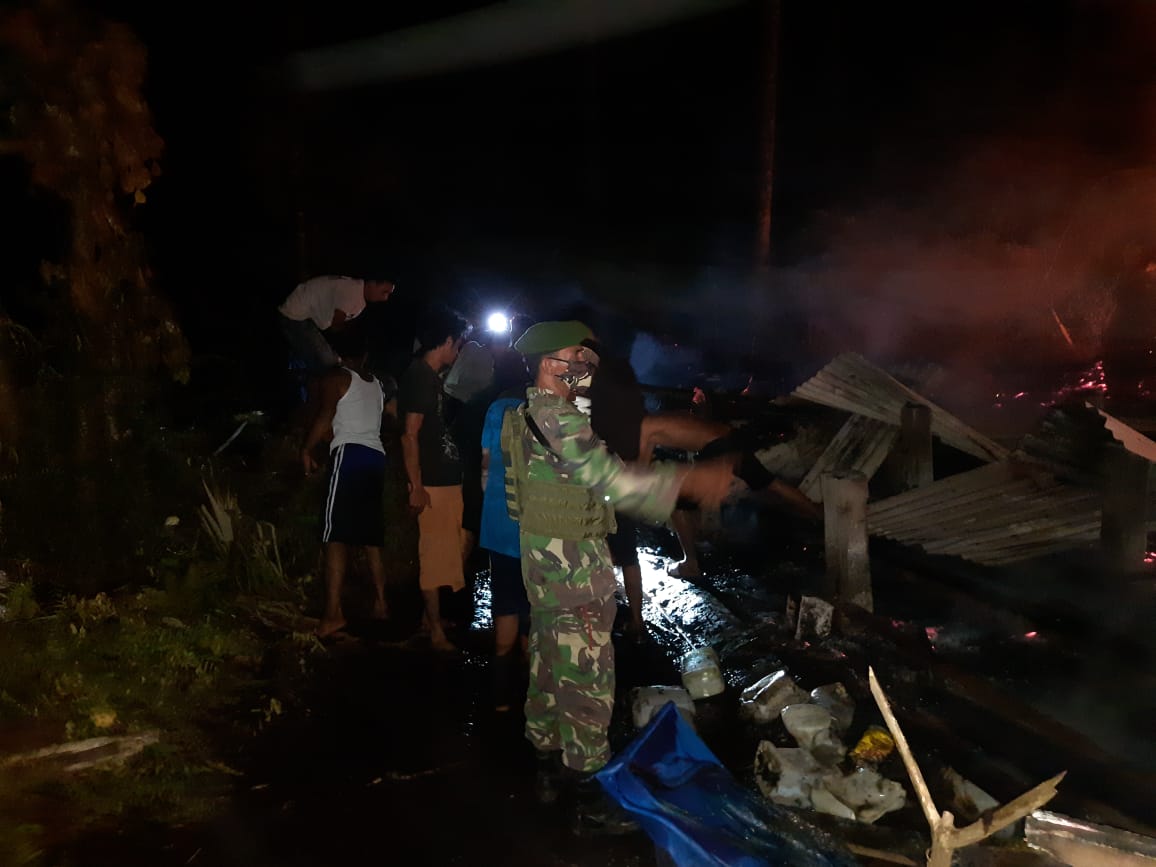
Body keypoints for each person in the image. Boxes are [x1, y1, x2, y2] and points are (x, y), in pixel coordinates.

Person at [502, 320, 734, 835]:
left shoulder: (523, 414)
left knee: (548, 658)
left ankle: (546, 759)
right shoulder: (556, 416)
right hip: (572, 564)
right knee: (587, 669)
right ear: (547, 363)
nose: (583, 367)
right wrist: (693, 479)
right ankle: (588, 791)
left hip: (542, 558)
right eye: (572, 357)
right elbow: (612, 481)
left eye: (586, 357)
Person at [300, 324, 392, 639]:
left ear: (338, 353)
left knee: (334, 535)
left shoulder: (338, 378)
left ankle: (333, 614)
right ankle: (381, 603)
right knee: (370, 535)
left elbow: (326, 415)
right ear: (364, 354)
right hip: (375, 458)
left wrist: (307, 447)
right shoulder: (376, 384)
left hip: (349, 456)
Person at [398, 306, 470, 652]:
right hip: (432, 485)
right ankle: (435, 631)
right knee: (433, 554)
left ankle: (432, 620)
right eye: (458, 343)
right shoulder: (420, 375)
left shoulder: (430, 377)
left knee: (445, 552)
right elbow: (409, 435)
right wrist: (416, 486)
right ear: (446, 340)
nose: (459, 350)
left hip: (445, 481)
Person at [478, 352, 532, 711]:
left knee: (506, 609)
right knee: (535, 619)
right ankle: (535, 700)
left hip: (500, 526)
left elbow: (485, 468)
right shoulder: (544, 410)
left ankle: (499, 700)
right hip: (537, 530)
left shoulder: (497, 409)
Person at [278, 275, 396, 421]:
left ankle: (314, 415)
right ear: (372, 283)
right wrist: (340, 355)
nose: (385, 298)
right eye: (384, 291)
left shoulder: (357, 294)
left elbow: (336, 327)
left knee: (326, 366)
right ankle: (313, 416)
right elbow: (336, 326)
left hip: (302, 315)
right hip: (295, 316)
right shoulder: (353, 293)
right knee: (327, 369)